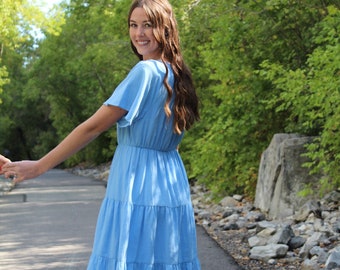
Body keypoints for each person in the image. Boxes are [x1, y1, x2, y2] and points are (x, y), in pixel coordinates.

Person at [2, 0, 201, 269]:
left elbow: (93, 127)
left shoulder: (144, 72)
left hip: (137, 180)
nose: (138, 33)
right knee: (163, 259)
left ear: (165, 29)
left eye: (148, 25)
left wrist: (39, 166)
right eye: (133, 25)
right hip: (170, 181)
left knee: (129, 258)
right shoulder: (177, 73)